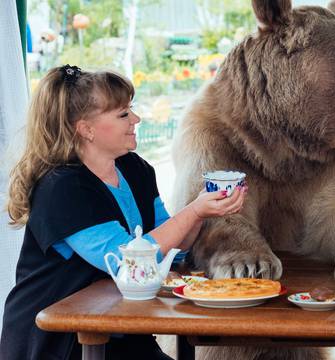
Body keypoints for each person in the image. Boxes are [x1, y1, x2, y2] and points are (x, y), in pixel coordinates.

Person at [0, 65, 248, 360]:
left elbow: (173, 249)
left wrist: (203, 210)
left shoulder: (135, 168)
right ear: (86, 128)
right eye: (123, 114)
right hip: (60, 343)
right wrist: (193, 210)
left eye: (131, 109)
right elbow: (129, 262)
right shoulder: (63, 189)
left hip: (119, 329)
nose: (136, 119)